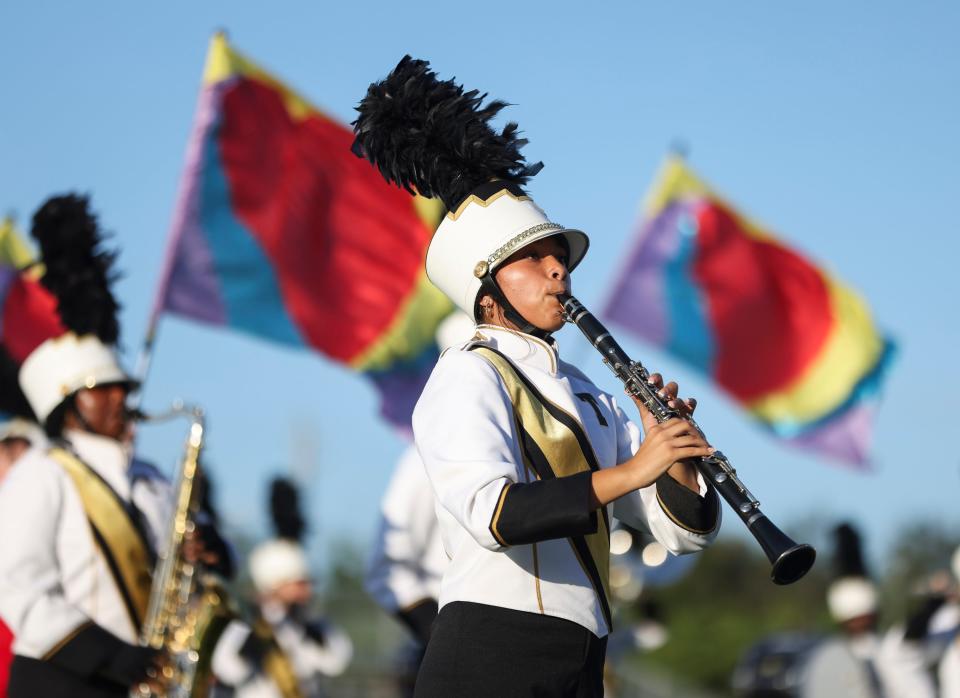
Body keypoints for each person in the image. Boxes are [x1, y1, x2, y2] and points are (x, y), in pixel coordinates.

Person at [352, 56, 720, 697]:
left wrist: (675, 456)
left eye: (560, 257)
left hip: (581, 659)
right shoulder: (465, 375)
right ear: (486, 288)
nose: (558, 270)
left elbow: (676, 532)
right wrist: (635, 468)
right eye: (534, 259)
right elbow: (496, 513)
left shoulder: (590, 393)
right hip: (490, 655)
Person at [0, 195, 229, 697]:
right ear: (68, 404)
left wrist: (209, 549)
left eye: (121, 386)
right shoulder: (42, 472)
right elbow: (19, 589)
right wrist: (110, 655)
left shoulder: (149, 478)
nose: (121, 397)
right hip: (62, 681)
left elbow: (182, 562)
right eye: (102, 389)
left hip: (135, 679)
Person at [212, 477, 352, 697]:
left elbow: (336, 660)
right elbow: (227, 669)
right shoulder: (247, 625)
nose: (306, 592)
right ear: (276, 586)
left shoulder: (312, 624)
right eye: (299, 585)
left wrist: (306, 632)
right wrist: (253, 644)